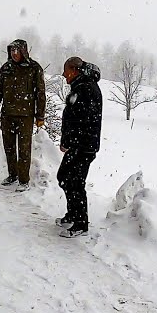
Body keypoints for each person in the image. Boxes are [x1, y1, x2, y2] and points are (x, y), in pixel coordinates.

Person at [0, 38, 46, 191]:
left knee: (24, 149)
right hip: (8, 114)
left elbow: (40, 93)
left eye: (17, 50)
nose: (14, 53)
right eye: (12, 50)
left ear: (24, 51)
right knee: (9, 147)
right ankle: (12, 175)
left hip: (26, 116)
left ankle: (24, 180)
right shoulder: (6, 68)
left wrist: (40, 116)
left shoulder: (34, 68)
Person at [56, 56, 103, 237]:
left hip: (84, 145)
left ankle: (81, 224)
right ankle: (73, 214)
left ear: (74, 70)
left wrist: (69, 141)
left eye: (66, 70)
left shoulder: (86, 88)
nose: (63, 74)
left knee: (74, 181)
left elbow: (79, 120)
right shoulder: (81, 86)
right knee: (65, 177)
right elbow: (73, 116)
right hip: (80, 144)